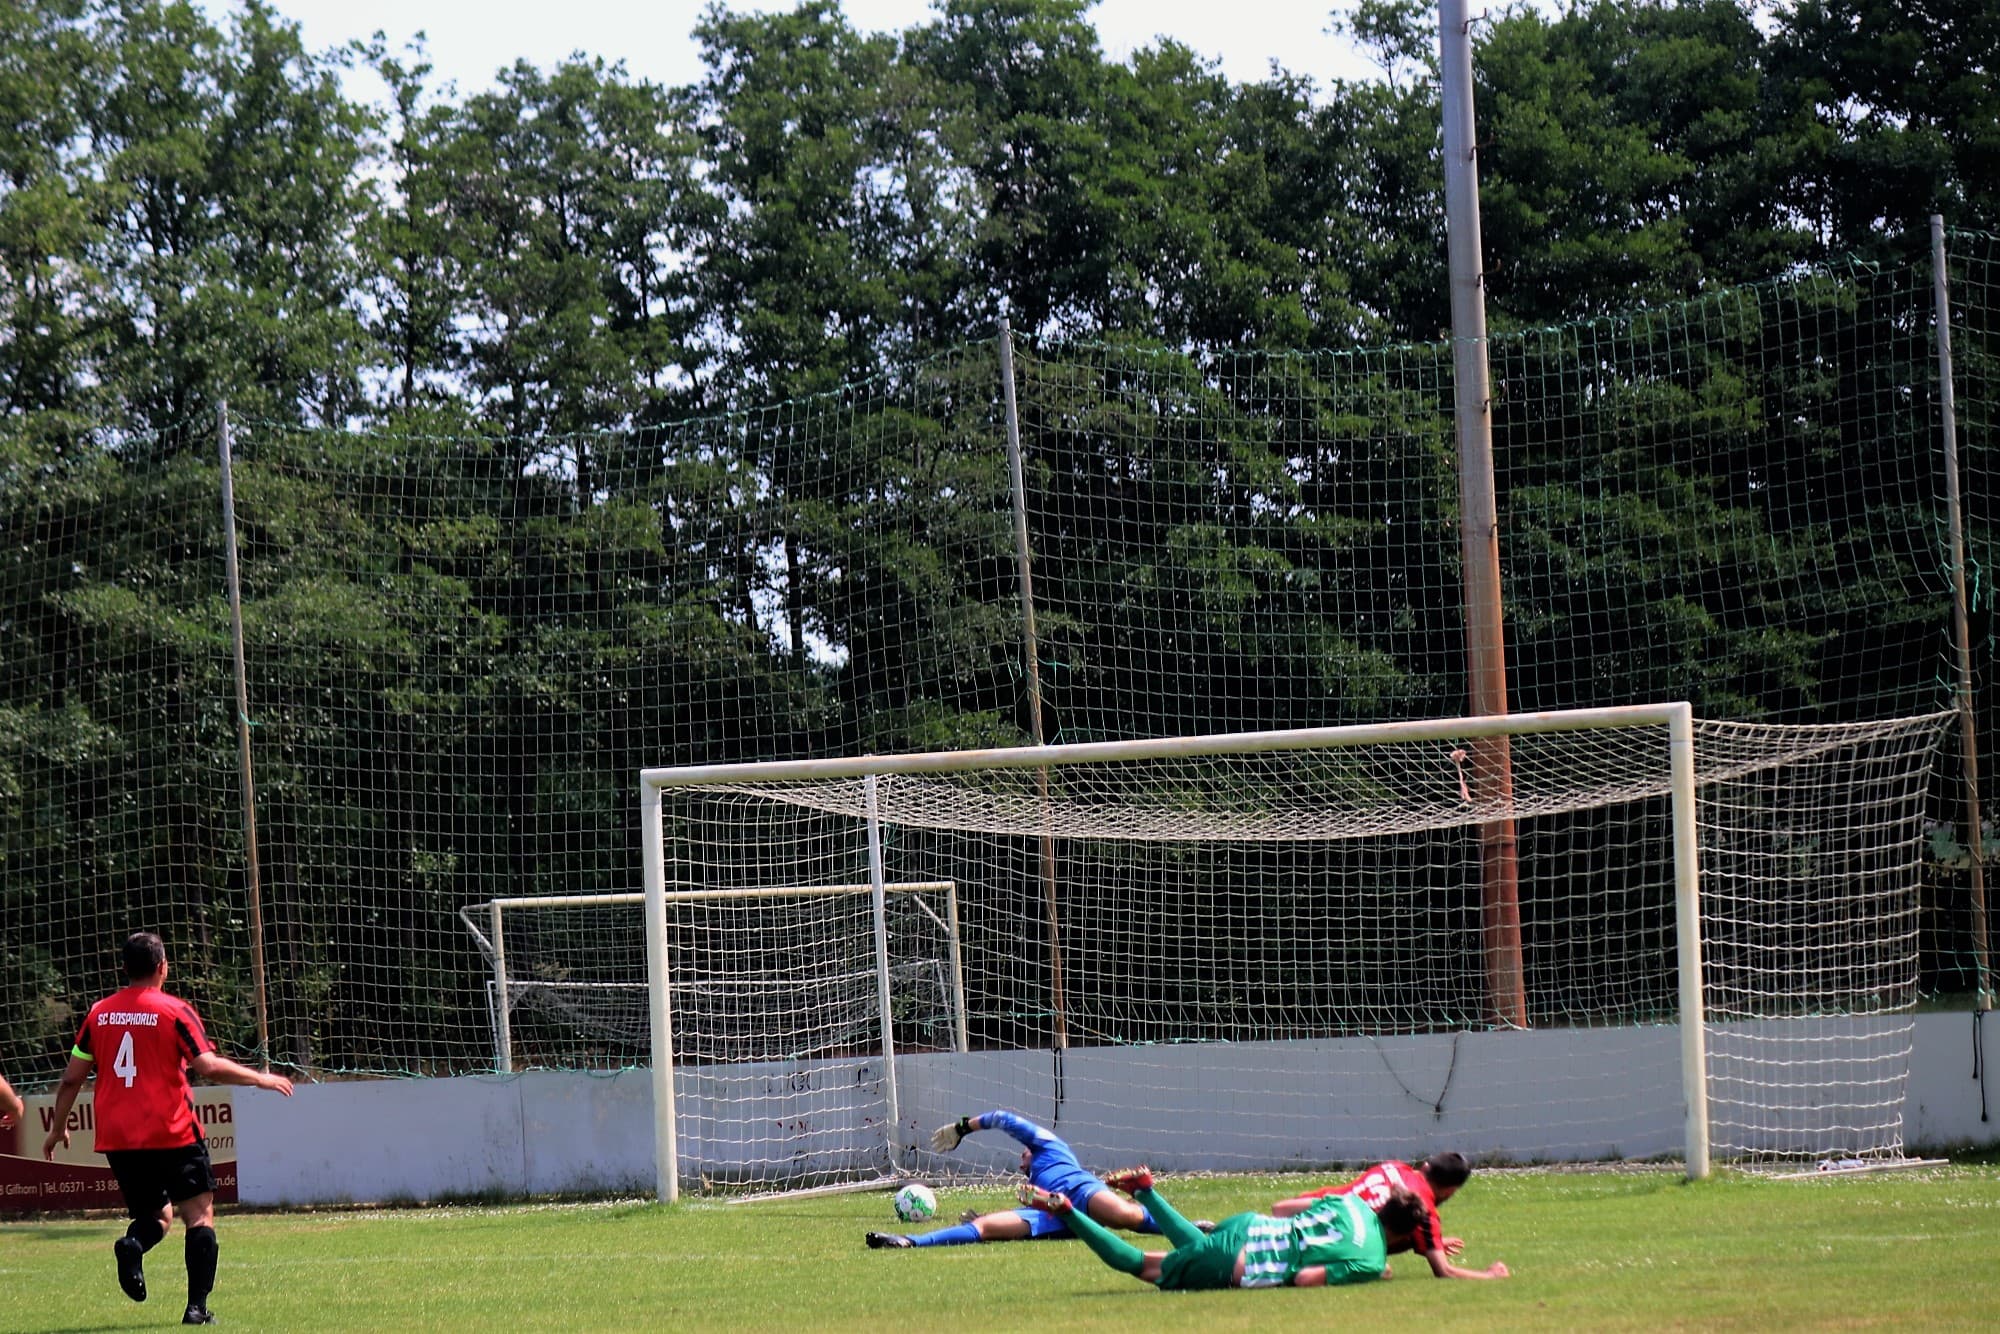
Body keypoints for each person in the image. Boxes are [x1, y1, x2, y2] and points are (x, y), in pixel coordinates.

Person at [41, 931, 295, 1326]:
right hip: (172, 1131)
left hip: (119, 1137)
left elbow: (72, 1078)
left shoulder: (99, 1014)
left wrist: (58, 1129)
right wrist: (259, 1078)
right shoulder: (174, 1010)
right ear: (163, 967)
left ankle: (132, 1244)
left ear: (124, 969)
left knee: (157, 1216)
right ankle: (196, 1309)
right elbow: (206, 1065)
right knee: (199, 1215)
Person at [1023, 1164, 1424, 1290]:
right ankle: (1070, 1213)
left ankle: (1146, 1193)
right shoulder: (1370, 1260)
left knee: (1200, 1245)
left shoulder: (1351, 1200)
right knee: (1144, 1266)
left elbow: (1285, 1207)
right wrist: (1371, 1271)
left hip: (1247, 1226)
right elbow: (1305, 1279)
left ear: (1385, 1204)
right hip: (1243, 1261)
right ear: (1404, 1235)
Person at [865, 1108, 1206, 1249]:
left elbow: (1002, 1118)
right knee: (985, 1229)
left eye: (1022, 1156)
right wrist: (989, 1216)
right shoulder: (1037, 1178)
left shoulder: (1052, 1149)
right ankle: (909, 1242)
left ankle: (1195, 1228)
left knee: (1125, 1217)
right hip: (1051, 1212)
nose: (1020, 1161)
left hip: (1081, 1192)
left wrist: (962, 1128)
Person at [1271, 1152, 1509, 1280]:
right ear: (1450, 1190)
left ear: (1425, 1166)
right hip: (1325, 1243)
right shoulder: (1424, 1212)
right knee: (1379, 1270)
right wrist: (1490, 1276)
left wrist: (1429, 1243)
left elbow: (1378, 1208)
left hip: (1305, 1211)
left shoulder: (1394, 1166)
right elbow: (1444, 1271)